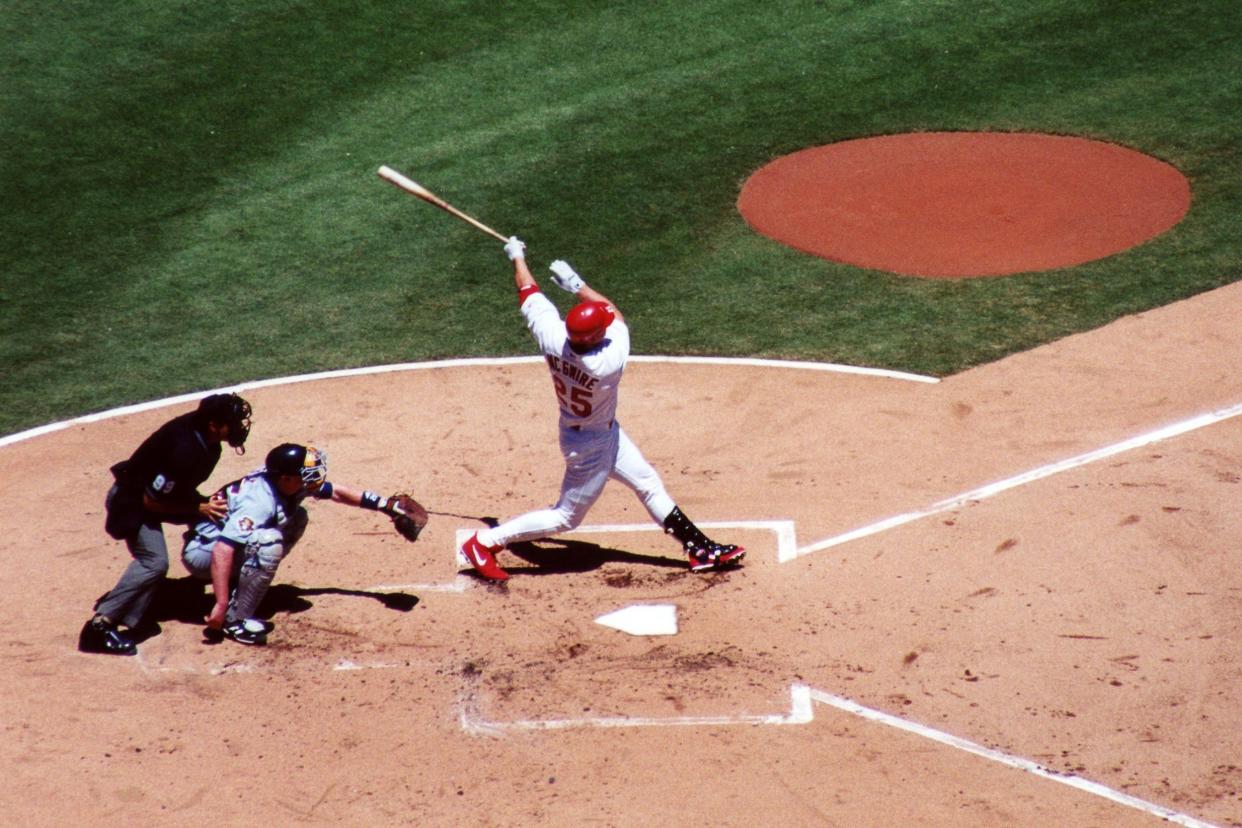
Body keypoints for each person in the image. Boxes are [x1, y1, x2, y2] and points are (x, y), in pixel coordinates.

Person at [458, 237, 745, 581]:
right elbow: (614, 312)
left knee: (648, 483)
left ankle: (699, 549)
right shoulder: (607, 363)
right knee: (566, 517)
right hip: (589, 446)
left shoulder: (553, 336)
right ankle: (485, 542)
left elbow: (528, 292)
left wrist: (516, 257)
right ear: (595, 338)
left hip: (595, 432)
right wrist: (577, 285)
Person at [180, 442, 414, 645]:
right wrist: (219, 604)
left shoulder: (289, 481)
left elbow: (337, 493)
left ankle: (239, 584)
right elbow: (223, 549)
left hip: (220, 543)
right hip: (204, 552)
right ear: (287, 478)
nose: (312, 479)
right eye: (306, 474)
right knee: (269, 542)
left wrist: (385, 506)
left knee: (296, 518)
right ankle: (234, 619)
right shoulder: (259, 502)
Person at [79, 392, 253, 656]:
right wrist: (198, 507)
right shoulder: (184, 449)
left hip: (161, 497)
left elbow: (177, 489)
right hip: (134, 503)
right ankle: (99, 628)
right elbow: (152, 503)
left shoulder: (208, 442)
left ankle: (226, 579)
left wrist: (203, 507)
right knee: (154, 561)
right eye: (232, 422)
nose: (239, 427)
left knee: (218, 515)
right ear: (214, 425)